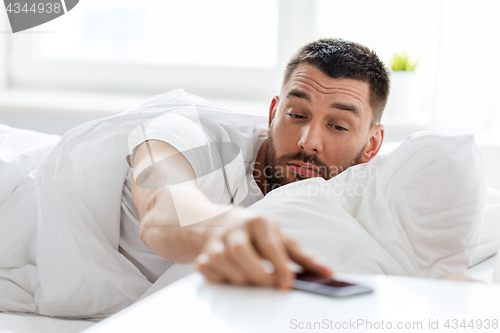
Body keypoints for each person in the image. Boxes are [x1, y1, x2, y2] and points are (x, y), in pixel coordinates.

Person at [121, 38, 389, 290]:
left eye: (338, 126)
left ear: (373, 145)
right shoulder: (189, 133)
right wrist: (223, 227)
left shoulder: (365, 196)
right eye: (296, 114)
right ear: (274, 113)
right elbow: (162, 209)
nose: (309, 142)